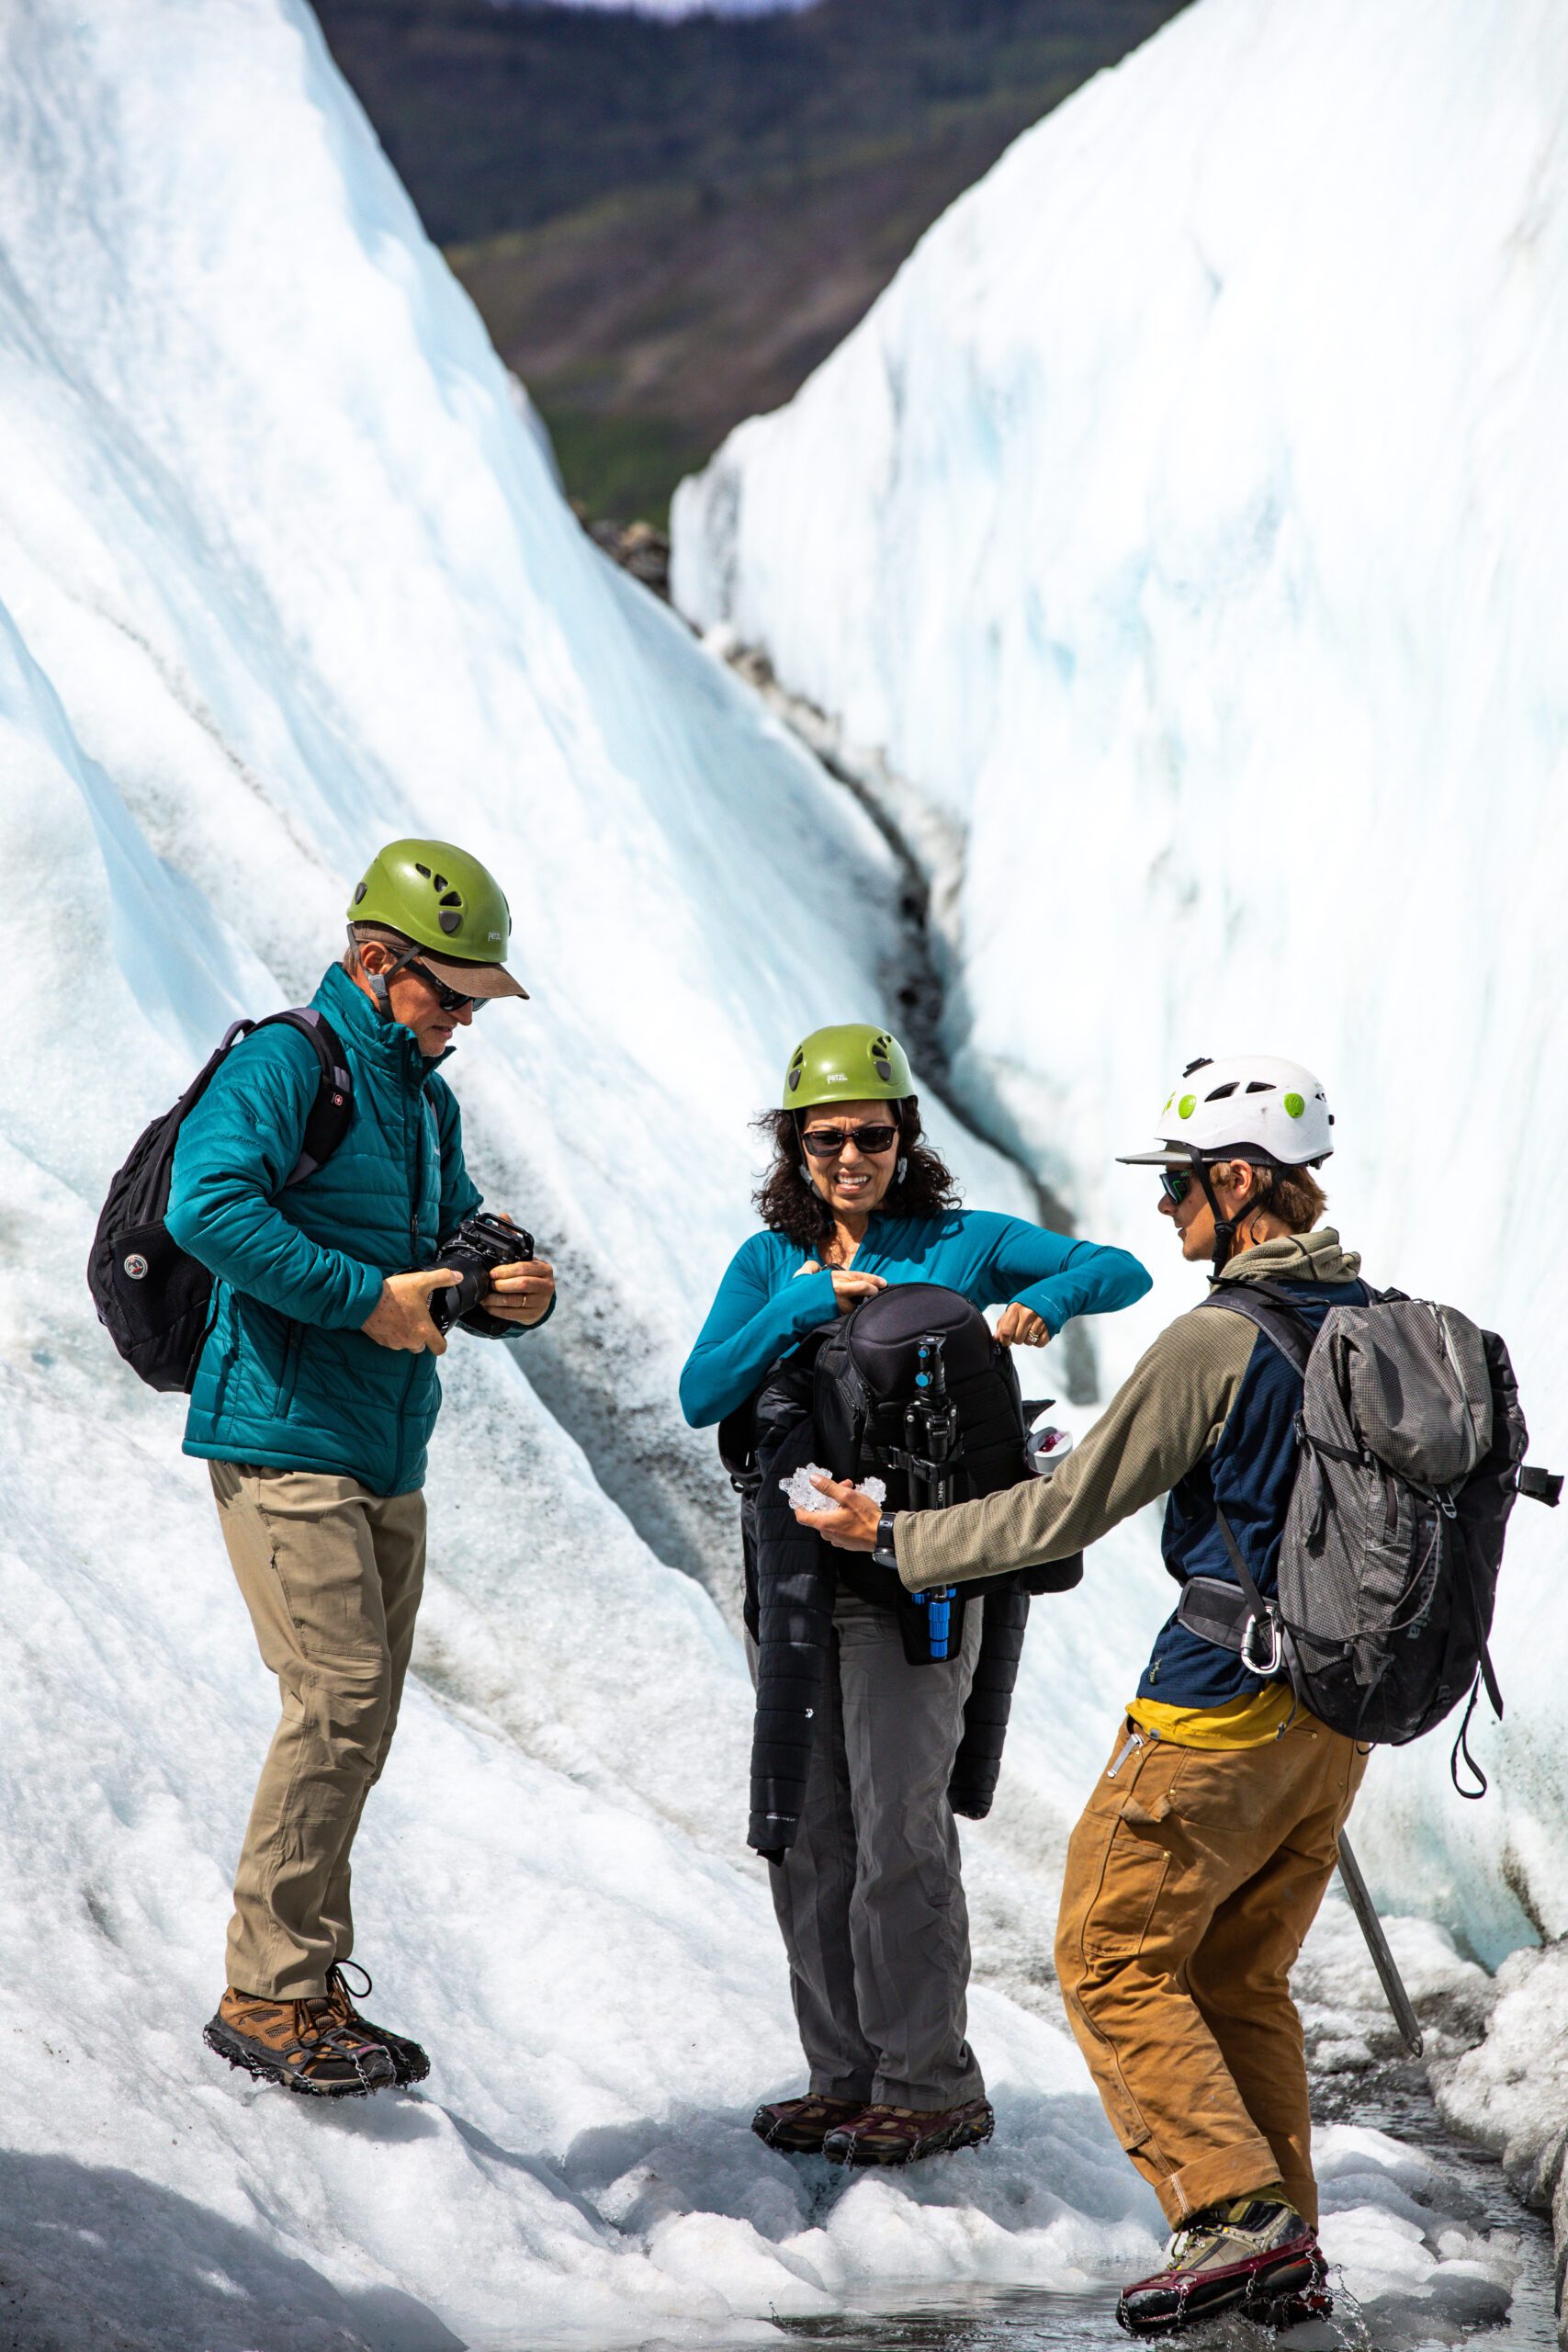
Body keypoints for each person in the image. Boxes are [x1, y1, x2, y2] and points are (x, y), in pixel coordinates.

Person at [802, 1054, 1366, 2328]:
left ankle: (1232, 2216)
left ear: (1238, 1181)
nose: (1163, 1208)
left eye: (1178, 1184)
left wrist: (894, 1537)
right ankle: (1283, 2246)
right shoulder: (1369, 1319)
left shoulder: (1219, 1336)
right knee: (1236, 1979)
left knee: (1109, 1955)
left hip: (1215, 1704)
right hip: (1333, 1715)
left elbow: (1069, 1503)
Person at [682, 1023, 1151, 2167]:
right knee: (809, 1832)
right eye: (826, 1139)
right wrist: (802, 1305)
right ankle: (843, 2076)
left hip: (920, 1573)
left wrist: (1046, 1302)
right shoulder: (769, 1262)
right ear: (794, 1146)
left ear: (905, 1137)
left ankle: (928, 2083)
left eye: (872, 1135)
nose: (851, 1156)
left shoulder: (962, 1240)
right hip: (796, 1578)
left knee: (899, 1825)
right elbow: (702, 1392)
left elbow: (1120, 1268)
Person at [166, 840, 556, 2098]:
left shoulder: (425, 1103)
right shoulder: (289, 1062)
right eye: (453, 992)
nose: (465, 1019)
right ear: (378, 962)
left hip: (386, 1447)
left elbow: (438, 1260)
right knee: (336, 1701)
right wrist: (361, 1301)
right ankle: (266, 1992)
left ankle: (308, 1981)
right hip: (284, 1437)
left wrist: (505, 1295)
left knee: (360, 1719)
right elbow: (206, 1206)